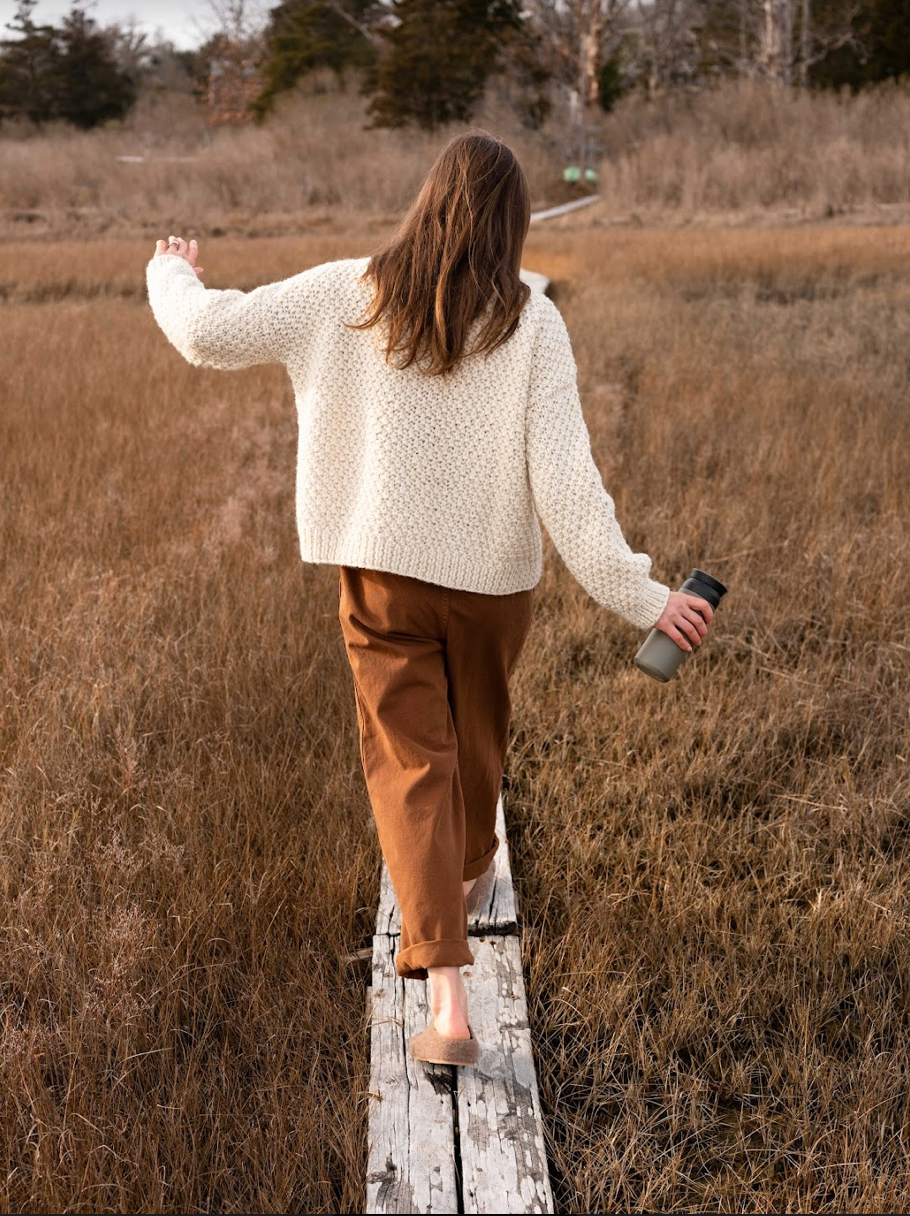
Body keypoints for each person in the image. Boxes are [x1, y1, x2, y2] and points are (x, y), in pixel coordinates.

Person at [145, 129, 714, 1067]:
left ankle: (448, 1009)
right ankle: (462, 889)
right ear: (514, 223)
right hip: (492, 588)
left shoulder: (345, 292)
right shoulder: (532, 318)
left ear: (427, 201)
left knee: (415, 764)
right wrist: (642, 596)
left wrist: (171, 272)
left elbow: (207, 332)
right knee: (476, 746)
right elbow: (568, 483)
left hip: (381, 577)